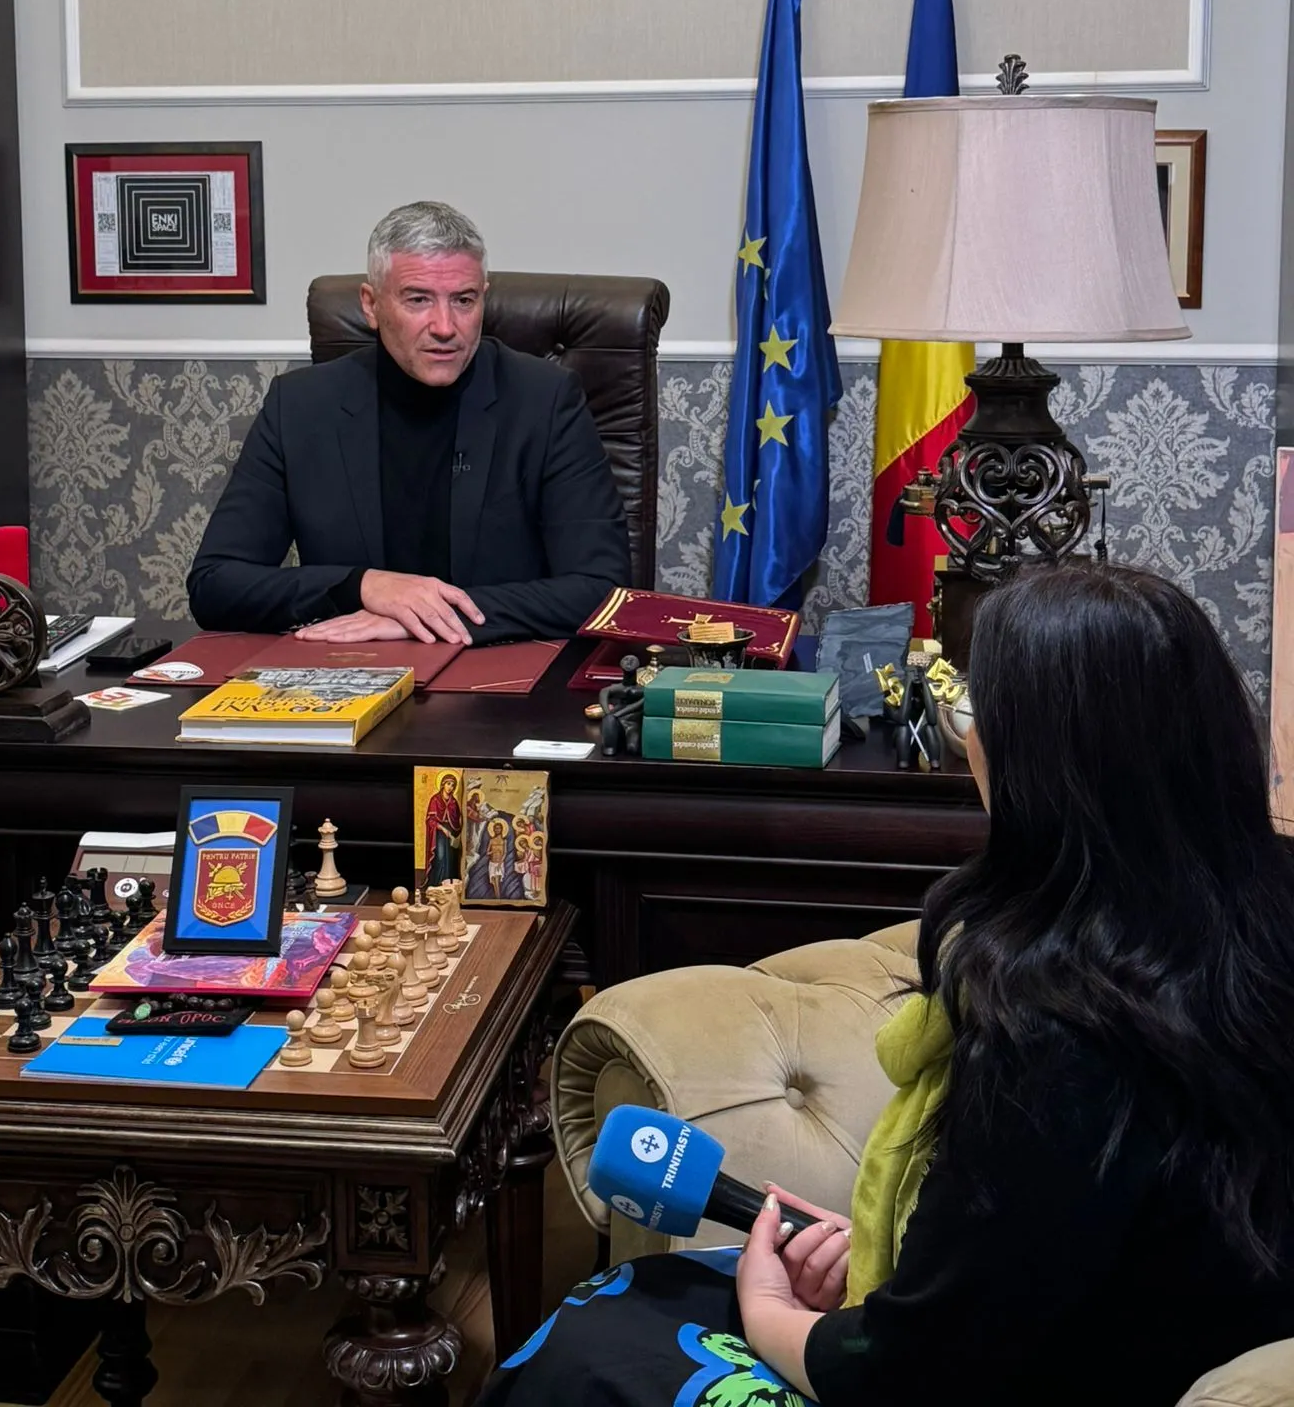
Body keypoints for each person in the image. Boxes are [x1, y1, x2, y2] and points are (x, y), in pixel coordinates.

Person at [483, 564, 1294, 1407]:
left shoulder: (1059, 1033)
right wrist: (914, 1258)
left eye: (978, 710)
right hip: (1160, 1331)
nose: (967, 735)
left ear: (1042, 764)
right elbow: (1046, 1240)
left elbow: (906, 1371)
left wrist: (770, 1310)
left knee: (596, 1342)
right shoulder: (1259, 913)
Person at [187, 201, 630, 642]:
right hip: (351, 668)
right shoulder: (301, 406)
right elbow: (215, 585)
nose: (445, 326)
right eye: (418, 299)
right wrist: (363, 586)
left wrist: (423, 617)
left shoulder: (546, 400)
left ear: (484, 299)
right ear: (371, 305)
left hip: (496, 668)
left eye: (464, 300)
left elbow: (603, 591)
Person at [423, 773, 463, 886]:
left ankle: (448, 884)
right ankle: (437, 884)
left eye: (453, 785)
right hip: (439, 833)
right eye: (448, 784)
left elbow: (457, 821)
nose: (450, 787)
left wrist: (456, 833)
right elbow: (430, 820)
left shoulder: (454, 802)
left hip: (452, 832)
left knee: (451, 858)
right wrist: (443, 829)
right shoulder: (435, 799)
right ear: (443, 784)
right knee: (440, 857)